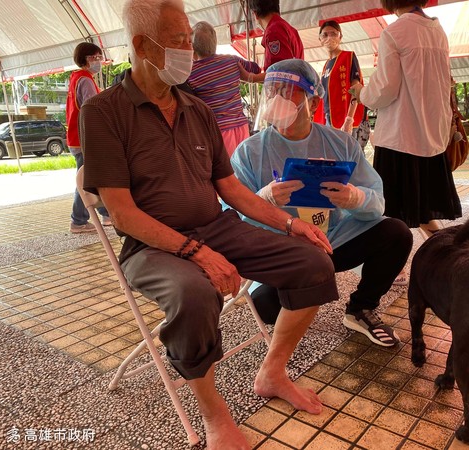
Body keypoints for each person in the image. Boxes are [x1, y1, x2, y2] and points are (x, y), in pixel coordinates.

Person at [80, 1, 338, 449]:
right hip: (151, 246)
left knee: (313, 261)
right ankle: (214, 416)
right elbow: (121, 213)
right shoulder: (104, 113)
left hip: (216, 226)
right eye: (178, 41)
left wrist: (291, 226)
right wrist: (196, 253)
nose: (189, 50)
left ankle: (272, 373)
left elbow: (232, 189)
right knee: (194, 293)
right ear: (143, 45)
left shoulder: (196, 108)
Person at [231, 59, 413, 347]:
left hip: (331, 240)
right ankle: (305, 293)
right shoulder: (249, 152)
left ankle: (361, 308)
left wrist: (355, 197)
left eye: (288, 91)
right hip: (281, 248)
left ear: (314, 102)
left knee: (397, 234)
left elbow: (377, 202)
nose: (277, 99)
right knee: (266, 306)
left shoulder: (341, 144)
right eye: (272, 90)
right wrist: (264, 200)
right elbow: (232, 217)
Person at [351, 0, 462, 238]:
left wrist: (361, 92)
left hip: (400, 137)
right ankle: (447, 251)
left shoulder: (394, 32)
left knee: (389, 211)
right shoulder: (438, 32)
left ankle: (394, 265)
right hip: (431, 136)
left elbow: (385, 89)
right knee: (422, 208)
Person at [185, 21, 261, 156]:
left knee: (226, 173)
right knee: (242, 168)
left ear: (194, 47)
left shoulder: (191, 72)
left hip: (218, 130)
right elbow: (255, 68)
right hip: (241, 127)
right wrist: (243, 74)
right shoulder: (231, 60)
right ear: (215, 42)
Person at [66, 42, 110, 233]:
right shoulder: (85, 79)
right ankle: (78, 220)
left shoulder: (76, 78)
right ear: (87, 58)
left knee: (92, 177)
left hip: (76, 137)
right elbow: (94, 109)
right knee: (85, 180)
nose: (99, 61)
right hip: (84, 139)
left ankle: (106, 214)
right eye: (97, 57)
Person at [313, 21, 367, 141]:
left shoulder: (348, 57)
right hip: (328, 117)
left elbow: (355, 88)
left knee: (344, 155)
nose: (329, 38)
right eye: (325, 35)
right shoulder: (326, 64)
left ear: (340, 37)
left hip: (343, 118)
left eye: (333, 34)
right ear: (320, 39)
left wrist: (349, 119)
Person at [245, 0, 304, 83]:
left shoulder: (274, 31)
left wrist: (251, 78)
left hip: (285, 93)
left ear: (255, 14)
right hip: (293, 91)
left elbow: (278, 74)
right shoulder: (290, 29)